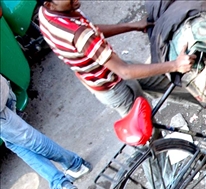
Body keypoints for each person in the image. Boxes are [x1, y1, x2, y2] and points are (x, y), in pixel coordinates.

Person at [38, 0, 196, 117]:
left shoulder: (45, 15)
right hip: (113, 85)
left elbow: (91, 31)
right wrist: (175, 65)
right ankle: (157, 160)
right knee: (149, 135)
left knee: (169, 84)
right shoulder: (78, 34)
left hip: (109, 68)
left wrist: (131, 26)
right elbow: (125, 72)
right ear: (50, 4)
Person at [0, 77, 90, 189]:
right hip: (3, 89)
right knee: (17, 142)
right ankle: (74, 166)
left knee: (27, 140)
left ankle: (65, 181)